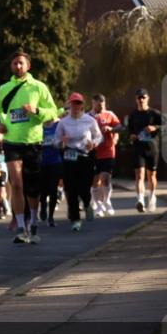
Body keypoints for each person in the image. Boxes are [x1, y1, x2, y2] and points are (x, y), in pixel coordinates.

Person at [0, 51, 57, 244]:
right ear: (11, 66)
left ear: (28, 66)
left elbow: (53, 112)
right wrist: (1, 123)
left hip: (33, 142)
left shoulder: (38, 87)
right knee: (16, 183)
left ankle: (34, 222)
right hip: (12, 141)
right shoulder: (4, 88)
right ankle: (21, 227)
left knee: (32, 187)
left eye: (21, 63)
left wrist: (36, 110)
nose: (18, 66)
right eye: (15, 63)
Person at [53, 93, 103, 231]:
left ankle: (87, 204)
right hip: (69, 157)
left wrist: (93, 143)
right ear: (70, 105)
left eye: (78, 103)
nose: (76, 106)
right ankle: (75, 219)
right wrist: (61, 143)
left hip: (85, 156)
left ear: (82, 105)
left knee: (84, 186)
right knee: (71, 188)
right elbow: (55, 141)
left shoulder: (89, 120)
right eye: (73, 103)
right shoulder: (63, 122)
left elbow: (99, 136)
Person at [126, 88, 163, 212]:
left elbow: (165, 126)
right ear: (136, 99)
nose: (141, 100)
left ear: (148, 98)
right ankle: (140, 200)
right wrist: (131, 136)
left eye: (143, 97)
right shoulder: (133, 115)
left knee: (151, 176)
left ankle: (152, 197)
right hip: (138, 148)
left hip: (152, 148)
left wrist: (154, 127)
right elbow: (130, 130)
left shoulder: (155, 113)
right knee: (139, 174)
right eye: (139, 98)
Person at [91, 94, 121, 216]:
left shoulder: (109, 114)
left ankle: (107, 201)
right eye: (99, 104)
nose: (101, 107)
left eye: (103, 104)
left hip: (108, 151)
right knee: (95, 181)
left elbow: (120, 126)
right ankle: (98, 205)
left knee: (106, 178)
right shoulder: (87, 117)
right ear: (93, 103)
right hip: (93, 152)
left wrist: (111, 129)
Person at [38, 117, 63, 227]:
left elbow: (63, 139)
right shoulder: (38, 126)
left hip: (55, 161)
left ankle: (51, 217)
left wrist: (60, 143)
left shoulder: (58, 125)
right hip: (42, 162)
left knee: (53, 190)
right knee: (43, 190)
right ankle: (43, 207)